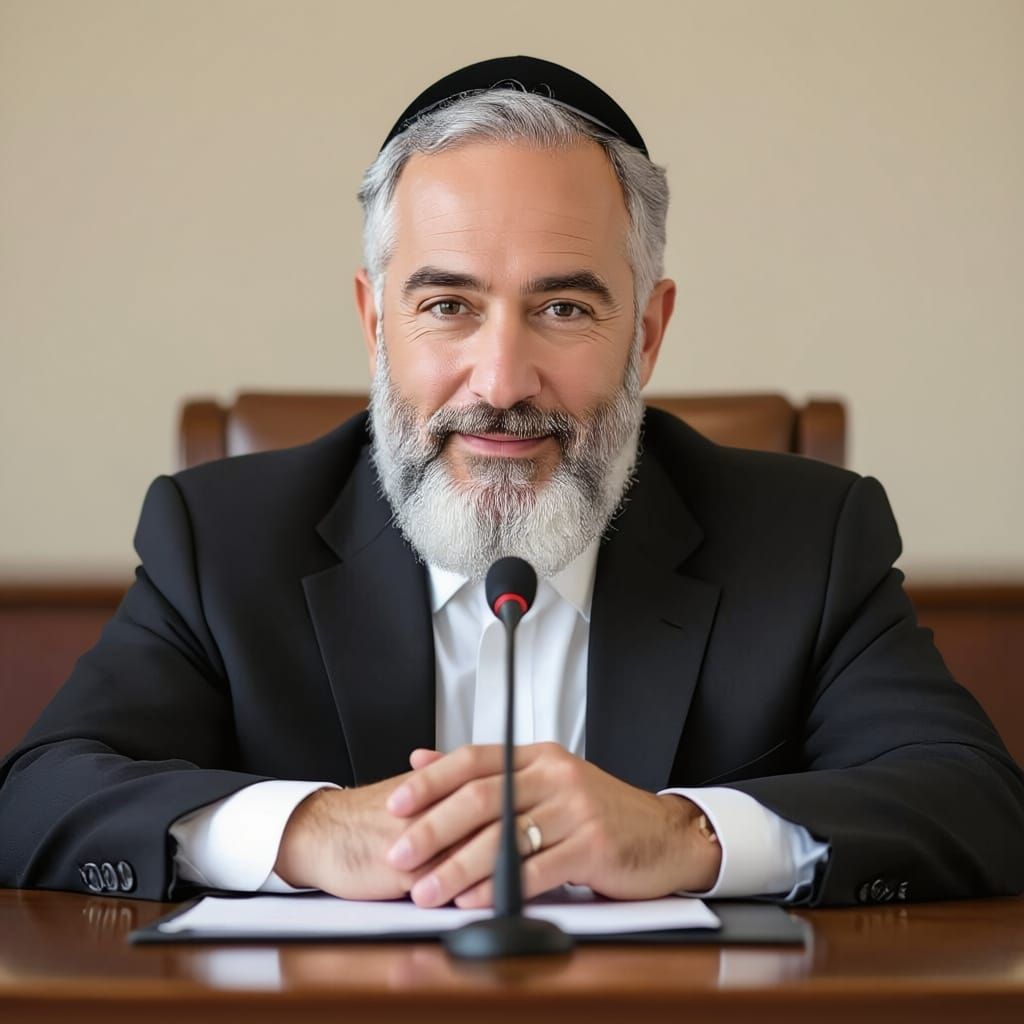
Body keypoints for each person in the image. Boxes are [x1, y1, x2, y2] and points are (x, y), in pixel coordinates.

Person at [1, 56, 1022, 909]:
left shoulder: (808, 537)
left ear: (649, 332)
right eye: (447, 305)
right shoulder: (221, 539)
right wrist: (308, 830)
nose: (500, 381)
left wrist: (686, 834)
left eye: (566, 310)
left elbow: (976, 803)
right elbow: (39, 795)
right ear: (373, 322)